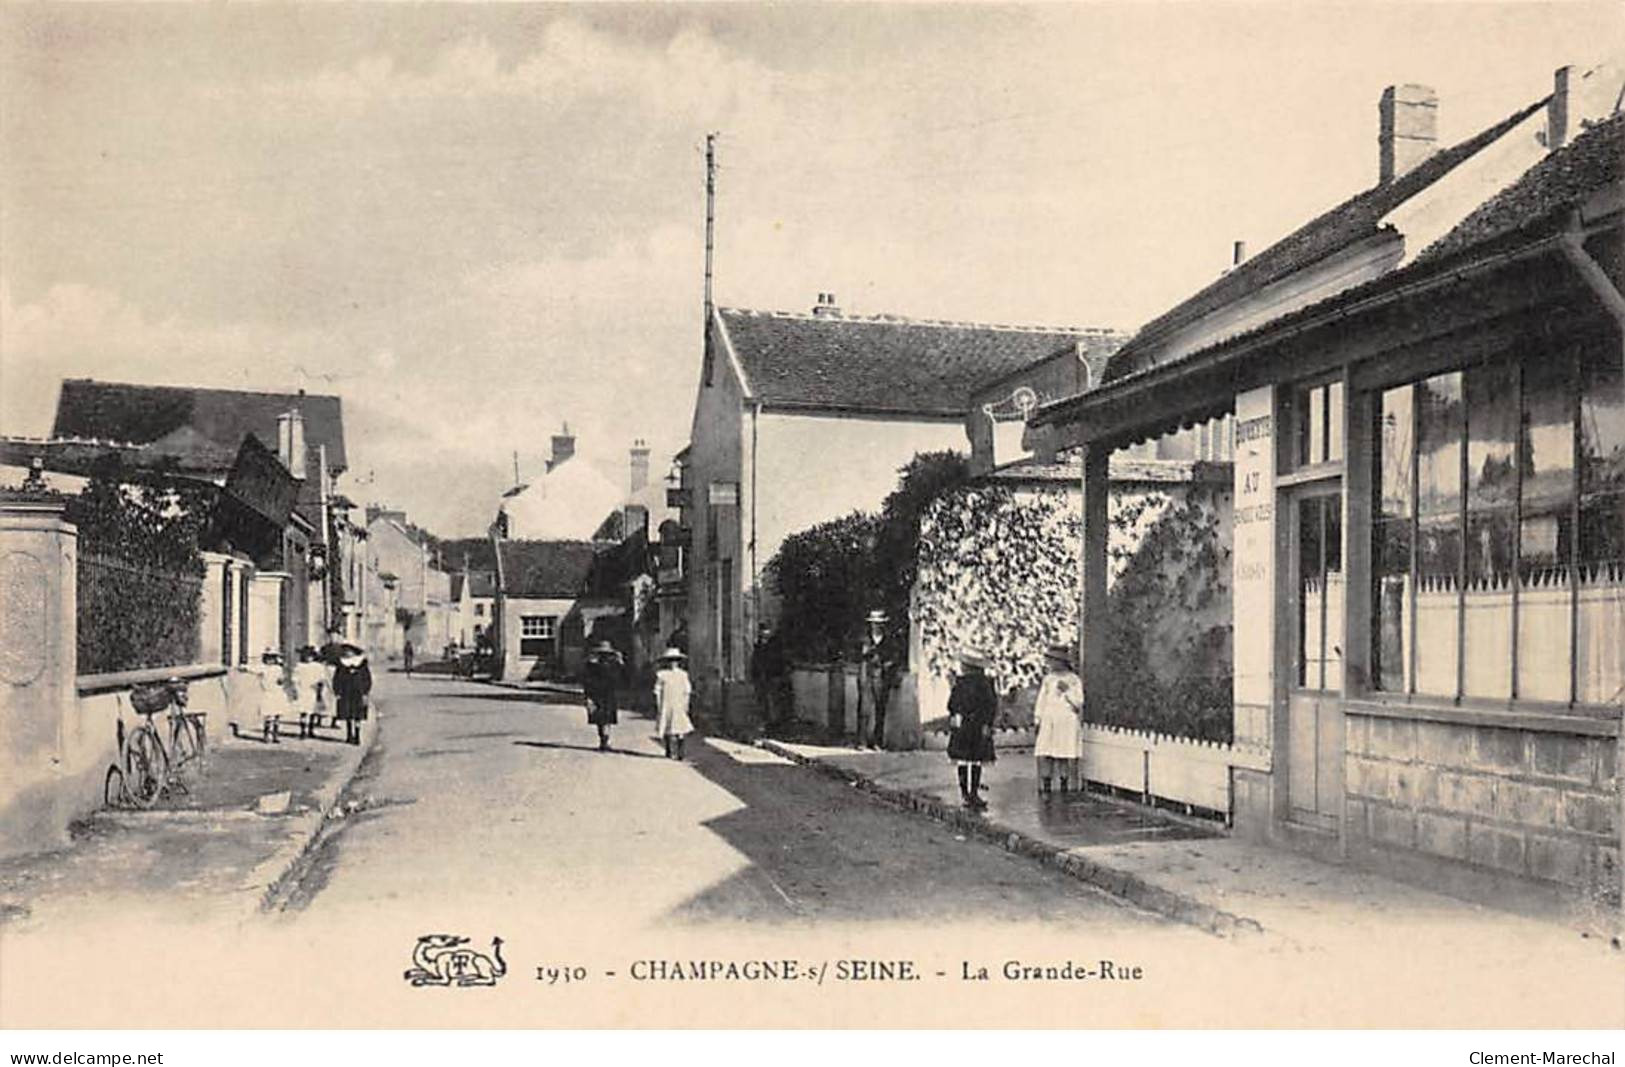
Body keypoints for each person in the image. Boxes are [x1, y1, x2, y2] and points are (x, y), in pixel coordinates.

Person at [947, 649, 997, 810]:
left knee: (965, 758)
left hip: (965, 723)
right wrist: (987, 723)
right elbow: (991, 705)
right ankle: (972, 793)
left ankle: (966, 793)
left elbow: (952, 704)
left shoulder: (962, 683)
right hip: (977, 724)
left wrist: (956, 715)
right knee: (975, 759)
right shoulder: (985, 683)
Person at [1032, 644, 1084, 798]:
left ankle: (1064, 787)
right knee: (1047, 753)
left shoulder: (1073, 680)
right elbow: (1042, 700)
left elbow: (1079, 702)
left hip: (1066, 719)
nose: (1051, 664)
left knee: (1063, 754)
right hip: (1050, 719)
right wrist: (1038, 718)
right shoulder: (1048, 679)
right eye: (1050, 661)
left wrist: (1067, 691)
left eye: (1055, 661)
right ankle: (1046, 787)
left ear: (1062, 662)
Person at [858, 610, 900, 750]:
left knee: (879, 710)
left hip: (881, 677)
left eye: (879, 624)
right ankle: (862, 742)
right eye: (874, 624)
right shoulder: (865, 639)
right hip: (867, 676)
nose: (876, 626)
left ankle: (877, 742)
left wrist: (888, 668)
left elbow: (894, 658)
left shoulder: (888, 640)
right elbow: (859, 657)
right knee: (864, 710)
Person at [582, 639, 623, 752]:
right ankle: (604, 740)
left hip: (607, 694)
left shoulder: (613, 665)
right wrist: (588, 696)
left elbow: (621, 678)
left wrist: (620, 662)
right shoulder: (592, 665)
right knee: (602, 719)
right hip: (599, 694)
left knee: (606, 719)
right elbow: (586, 680)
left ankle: (604, 740)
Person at [653, 647, 693, 760]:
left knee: (680, 727)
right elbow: (657, 691)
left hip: (679, 703)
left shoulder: (683, 675)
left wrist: (686, 704)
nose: (673, 663)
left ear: (678, 662)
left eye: (675, 660)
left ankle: (681, 752)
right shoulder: (662, 674)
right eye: (670, 661)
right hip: (666, 703)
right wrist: (658, 704)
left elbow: (687, 691)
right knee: (667, 726)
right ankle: (669, 750)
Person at [332, 642, 373, 745]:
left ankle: (357, 735)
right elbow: (336, 679)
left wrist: (365, 692)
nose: (347, 653)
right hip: (346, 693)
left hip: (358, 693)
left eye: (349, 651)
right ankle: (349, 735)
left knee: (357, 715)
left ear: (354, 652)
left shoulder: (362, 664)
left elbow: (367, 679)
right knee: (348, 714)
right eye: (345, 651)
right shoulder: (341, 664)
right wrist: (337, 691)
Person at [292, 645, 329, 738]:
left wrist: (320, 685)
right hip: (303, 690)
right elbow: (295, 679)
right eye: (306, 656)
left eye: (310, 656)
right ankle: (303, 730)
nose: (308, 658)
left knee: (313, 710)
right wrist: (295, 690)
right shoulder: (299, 666)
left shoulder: (318, 667)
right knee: (303, 710)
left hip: (314, 690)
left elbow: (322, 678)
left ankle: (311, 729)